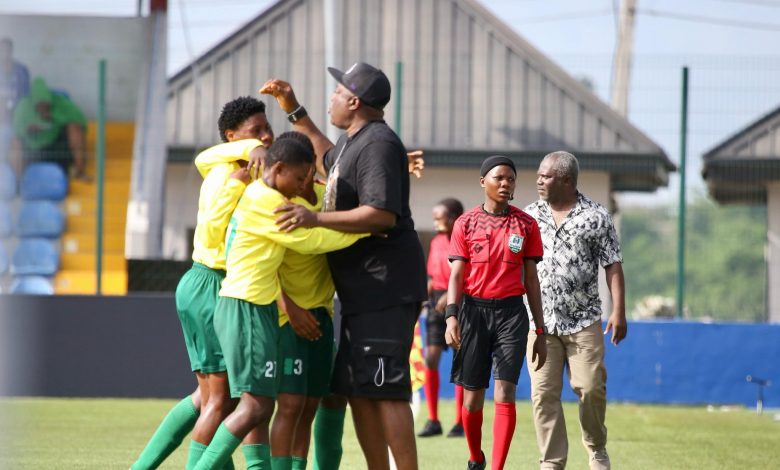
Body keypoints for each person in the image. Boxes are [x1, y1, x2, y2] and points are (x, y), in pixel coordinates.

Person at [260, 61, 427, 470]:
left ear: (354, 101)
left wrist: (314, 218)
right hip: (363, 294)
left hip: (384, 289)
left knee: (386, 390)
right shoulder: (355, 140)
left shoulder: (378, 144)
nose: (332, 98)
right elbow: (324, 155)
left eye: (337, 93)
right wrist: (293, 109)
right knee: (360, 391)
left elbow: (381, 215)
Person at [191, 138, 369, 470]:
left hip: (255, 306)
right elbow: (309, 240)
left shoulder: (264, 194)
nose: (306, 184)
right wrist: (366, 228)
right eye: (301, 178)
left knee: (258, 405)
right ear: (279, 169)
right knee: (254, 406)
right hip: (245, 304)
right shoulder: (267, 200)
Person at [131, 96, 273, 470]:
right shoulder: (233, 174)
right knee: (222, 400)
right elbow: (212, 223)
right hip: (214, 284)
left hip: (199, 282)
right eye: (255, 131)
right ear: (232, 137)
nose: (266, 137)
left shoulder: (227, 167)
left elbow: (204, 158)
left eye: (267, 128)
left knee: (206, 396)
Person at [524, 151, 627, 470]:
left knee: (591, 389)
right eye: (539, 175)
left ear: (566, 180)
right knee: (543, 396)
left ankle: (596, 449)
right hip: (540, 325)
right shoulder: (528, 216)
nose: (539, 180)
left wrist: (619, 311)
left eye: (546, 176)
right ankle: (552, 461)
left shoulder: (596, 216)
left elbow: (613, 265)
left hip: (584, 323)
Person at [444, 156, 548, 470]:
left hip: (511, 316)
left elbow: (531, 280)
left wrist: (540, 331)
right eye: (499, 178)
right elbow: (456, 276)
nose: (506, 184)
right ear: (483, 182)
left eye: (511, 179)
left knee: (505, 391)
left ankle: (497, 467)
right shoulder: (465, 223)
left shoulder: (526, 225)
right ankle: (476, 458)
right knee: (472, 398)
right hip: (473, 313)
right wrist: (452, 316)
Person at [417, 197, 466, 438]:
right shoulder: (436, 242)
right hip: (435, 302)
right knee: (431, 359)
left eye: (440, 219)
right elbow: (431, 276)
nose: (436, 223)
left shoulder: (465, 239)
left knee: (460, 363)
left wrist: (450, 295)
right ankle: (433, 420)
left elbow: (467, 273)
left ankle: (460, 422)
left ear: (454, 218)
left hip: (460, 302)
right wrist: (419, 299)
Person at [11, 76, 89, 180]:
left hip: (57, 146)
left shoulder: (60, 102)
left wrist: (55, 118)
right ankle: (19, 180)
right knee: (15, 142)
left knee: (75, 128)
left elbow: (79, 120)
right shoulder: (23, 107)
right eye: (40, 106)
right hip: (33, 150)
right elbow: (16, 130)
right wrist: (28, 130)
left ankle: (79, 170)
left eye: (46, 105)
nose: (43, 109)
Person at [0, 37, 30, 161]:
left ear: (11, 51)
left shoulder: (21, 71)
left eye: (6, 49)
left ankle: (17, 180)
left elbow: (25, 99)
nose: (4, 53)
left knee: (16, 144)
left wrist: (14, 114)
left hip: (16, 120)